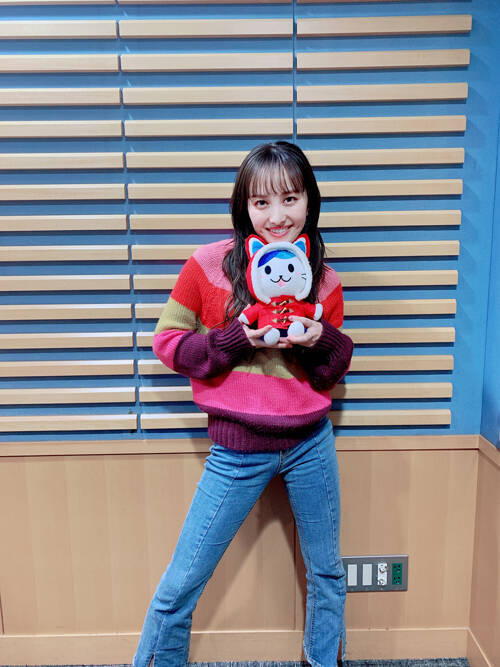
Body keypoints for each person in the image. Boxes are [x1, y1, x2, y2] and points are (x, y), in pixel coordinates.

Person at [132, 141, 354, 667]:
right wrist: (235, 338)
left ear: (309, 201)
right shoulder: (207, 265)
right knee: (180, 585)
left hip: (310, 444)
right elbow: (168, 344)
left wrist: (317, 340)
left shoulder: (323, 279)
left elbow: (333, 369)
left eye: (290, 199)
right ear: (243, 206)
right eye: (262, 202)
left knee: (328, 574)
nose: (278, 216)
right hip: (236, 452)